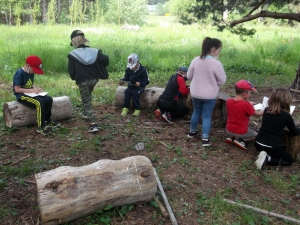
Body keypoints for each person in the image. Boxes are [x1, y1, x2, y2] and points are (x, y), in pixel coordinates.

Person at [187, 37, 226, 147]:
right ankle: (205, 138)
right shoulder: (216, 64)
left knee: (196, 112)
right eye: (219, 50)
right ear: (214, 49)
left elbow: (189, 76)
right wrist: (214, 83)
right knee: (207, 116)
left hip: (195, 93)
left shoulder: (195, 60)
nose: (219, 53)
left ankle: (192, 132)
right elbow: (222, 80)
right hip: (209, 95)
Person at [68, 30, 109, 133]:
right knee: (87, 95)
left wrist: (74, 77)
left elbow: (71, 71)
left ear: (74, 41)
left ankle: (93, 124)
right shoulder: (94, 51)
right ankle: (86, 113)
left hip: (83, 80)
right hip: (94, 79)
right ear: (84, 39)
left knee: (86, 101)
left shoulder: (73, 54)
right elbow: (106, 60)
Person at [255, 88, 300, 170]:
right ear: (286, 101)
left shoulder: (266, 110)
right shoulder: (287, 116)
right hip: (271, 146)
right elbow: (295, 132)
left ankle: (264, 154)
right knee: (289, 160)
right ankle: (268, 158)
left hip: (258, 143)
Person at [12, 55, 58, 135]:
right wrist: (32, 90)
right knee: (39, 102)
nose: (35, 72)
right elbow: (17, 89)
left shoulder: (30, 72)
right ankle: (41, 126)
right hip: (21, 95)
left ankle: (47, 120)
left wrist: (36, 89)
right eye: (35, 69)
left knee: (48, 99)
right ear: (28, 66)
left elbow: (29, 85)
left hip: (30, 93)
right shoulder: (19, 73)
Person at [225, 80, 264, 150]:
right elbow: (258, 114)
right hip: (241, 132)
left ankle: (231, 137)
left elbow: (238, 106)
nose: (250, 94)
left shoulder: (228, 101)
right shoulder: (246, 105)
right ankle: (241, 141)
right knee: (258, 136)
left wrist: (248, 104)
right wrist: (265, 109)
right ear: (244, 94)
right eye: (249, 92)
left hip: (229, 129)